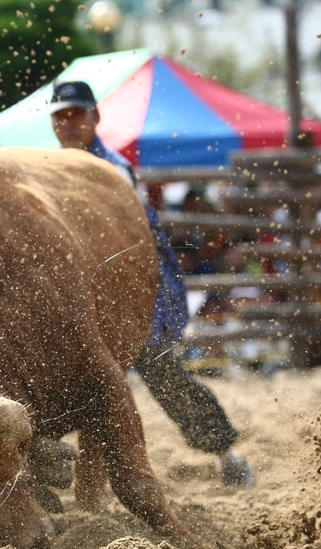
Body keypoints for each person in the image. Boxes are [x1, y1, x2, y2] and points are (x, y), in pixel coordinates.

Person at [49, 80, 253, 488]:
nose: (69, 124)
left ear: (94, 117)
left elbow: (125, 246)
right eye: (61, 116)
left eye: (76, 114)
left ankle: (226, 452)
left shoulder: (112, 169)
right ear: (53, 122)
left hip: (129, 291)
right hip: (78, 293)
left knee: (161, 371)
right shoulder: (47, 170)